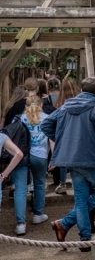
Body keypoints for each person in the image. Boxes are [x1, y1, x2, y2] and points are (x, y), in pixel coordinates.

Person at [43, 76, 95, 252]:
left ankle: (84, 238)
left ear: (81, 90)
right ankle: (65, 224)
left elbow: (46, 125)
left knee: (81, 200)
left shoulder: (66, 105)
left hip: (73, 160)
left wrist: (62, 140)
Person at [10, 96, 52, 234]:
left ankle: (20, 223)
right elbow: (52, 139)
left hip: (20, 155)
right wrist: (55, 158)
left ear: (25, 105)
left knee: (20, 189)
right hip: (40, 155)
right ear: (41, 104)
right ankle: (37, 214)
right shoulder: (47, 118)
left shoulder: (18, 118)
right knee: (39, 183)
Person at [53, 77, 80, 195]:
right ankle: (76, 183)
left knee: (65, 159)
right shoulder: (80, 99)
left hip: (65, 133)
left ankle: (63, 183)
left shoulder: (60, 101)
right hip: (78, 132)